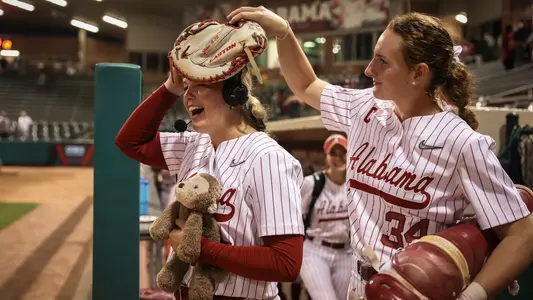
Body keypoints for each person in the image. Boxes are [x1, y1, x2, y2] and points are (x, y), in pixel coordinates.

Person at [226, 7, 533, 300]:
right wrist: (284, 33)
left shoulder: (462, 142)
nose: (369, 69)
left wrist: (472, 294)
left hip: (417, 291)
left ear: (419, 73)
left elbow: (522, 235)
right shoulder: (365, 107)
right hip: (358, 283)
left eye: (383, 62)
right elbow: (306, 85)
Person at [115, 24, 304, 299]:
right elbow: (130, 142)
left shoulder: (268, 157)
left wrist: (201, 249)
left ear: (233, 93)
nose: (188, 96)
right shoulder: (194, 143)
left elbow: (286, 262)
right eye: (186, 87)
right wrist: (170, 87)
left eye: (201, 86)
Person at [299, 134, 351, 300]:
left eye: (343, 153)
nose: (339, 157)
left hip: (346, 252)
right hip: (315, 250)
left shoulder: (354, 185)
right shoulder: (312, 183)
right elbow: (295, 218)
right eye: (333, 153)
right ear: (326, 157)